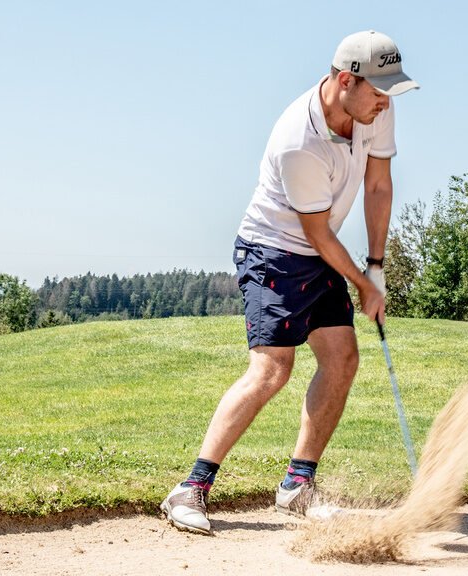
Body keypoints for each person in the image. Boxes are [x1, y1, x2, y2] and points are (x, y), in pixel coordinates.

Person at [161, 30, 418, 534]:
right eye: (378, 91)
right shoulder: (297, 142)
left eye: (391, 91)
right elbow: (317, 232)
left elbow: (379, 183)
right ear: (346, 80)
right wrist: (363, 286)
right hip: (273, 249)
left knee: (342, 358)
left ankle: (297, 486)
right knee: (272, 369)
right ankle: (189, 489)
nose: (386, 102)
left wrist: (377, 266)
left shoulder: (375, 108)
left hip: (322, 247)